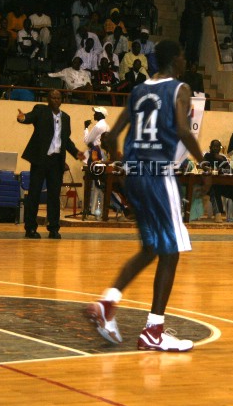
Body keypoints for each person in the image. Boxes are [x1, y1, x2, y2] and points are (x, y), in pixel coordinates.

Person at [86, 40, 210, 352]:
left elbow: (112, 136)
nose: (185, 61)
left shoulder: (139, 90)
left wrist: (120, 162)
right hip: (158, 175)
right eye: (183, 56)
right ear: (175, 59)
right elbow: (183, 130)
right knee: (171, 251)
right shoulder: (180, 88)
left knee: (151, 248)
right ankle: (153, 330)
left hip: (134, 175)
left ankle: (108, 301)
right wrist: (204, 164)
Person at [16, 90, 84, 239]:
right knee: (34, 194)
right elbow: (29, 117)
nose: (55, 100)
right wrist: (23, 118)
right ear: (48, 99)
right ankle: (30, 228)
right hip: (40, 159)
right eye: (53, 97)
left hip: (56, 161)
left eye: (58, 98)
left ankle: (53, 228)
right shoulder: (40, 110)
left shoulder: (66, 117)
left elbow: (65, 140)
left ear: (61, 100)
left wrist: (76, 152)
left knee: (54, 196)